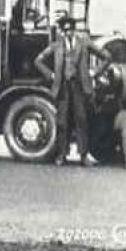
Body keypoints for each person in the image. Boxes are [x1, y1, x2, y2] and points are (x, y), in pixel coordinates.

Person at [34, 15, 112, 166]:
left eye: (70, 29)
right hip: (63, 88)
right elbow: (38, 60)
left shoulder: (84, 43)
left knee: (81, 120)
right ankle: (62, 155)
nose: (67, 33)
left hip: (80, 87)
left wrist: (95, 73)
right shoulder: (57, 45)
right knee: (62, 122)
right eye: (65, 30)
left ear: (74, 30)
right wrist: (51, 74)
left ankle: (83, 155)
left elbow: (107, 57)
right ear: (62, 31)